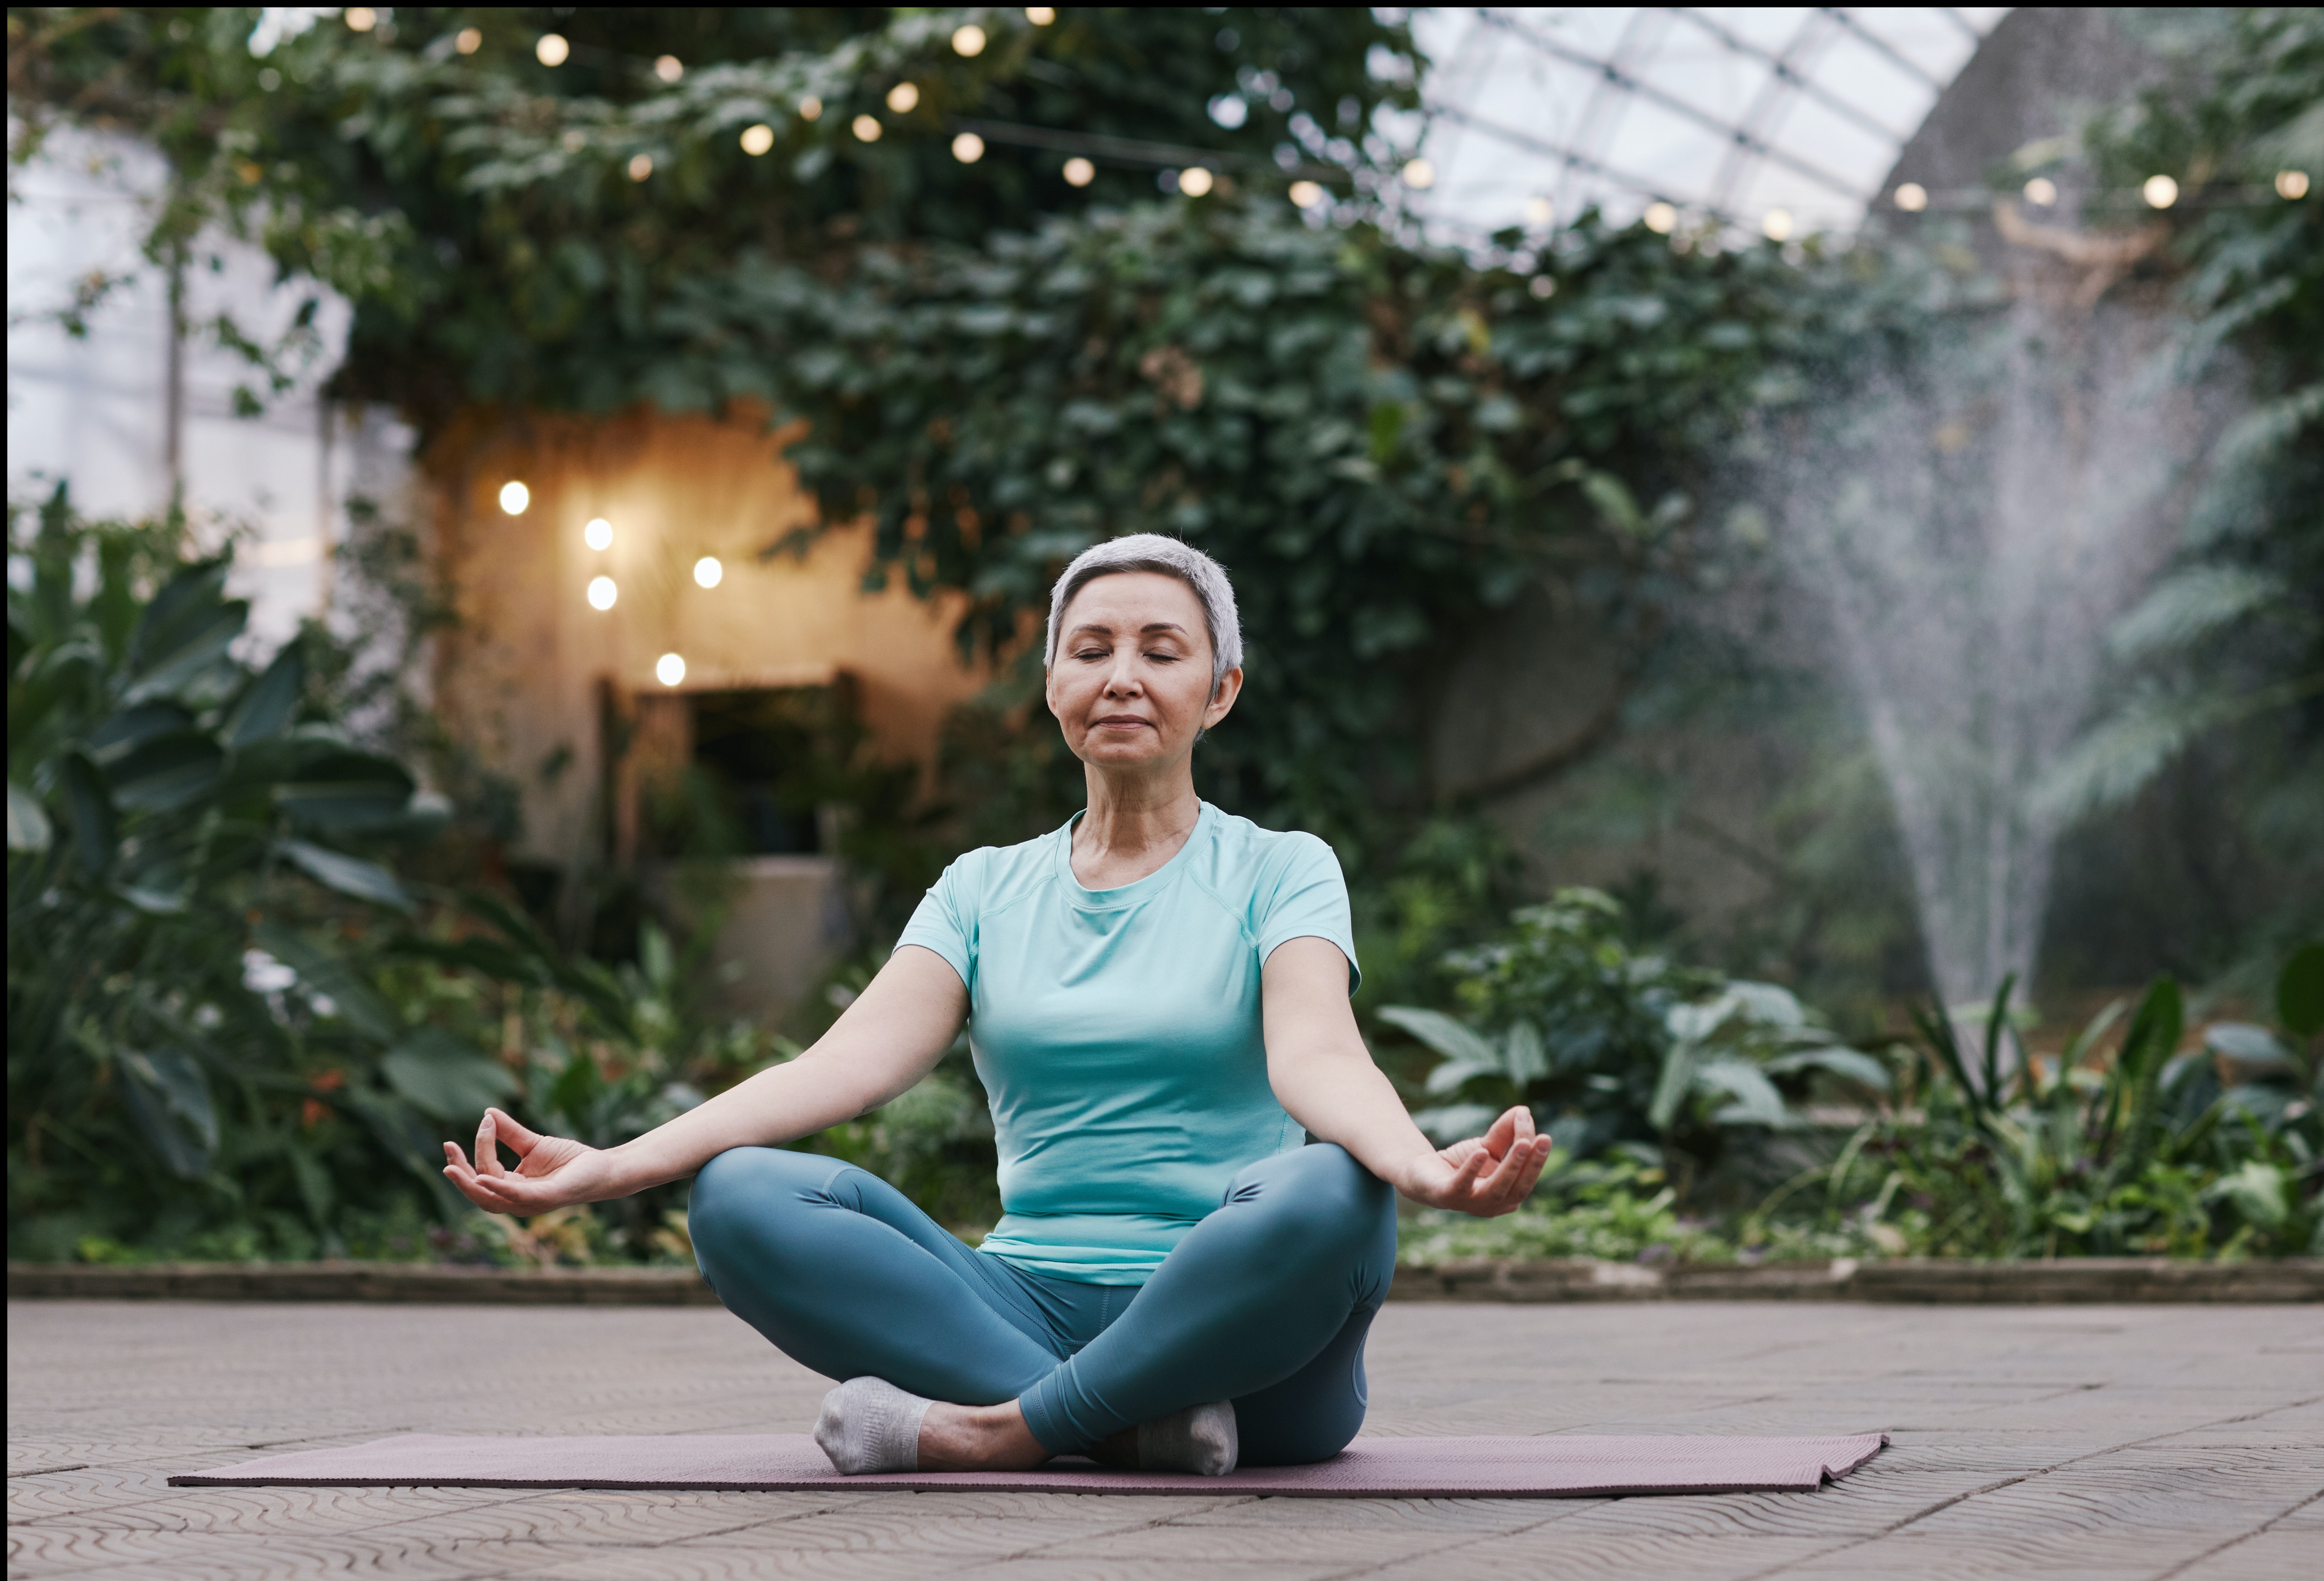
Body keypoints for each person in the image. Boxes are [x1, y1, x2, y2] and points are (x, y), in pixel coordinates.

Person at [443, 533, 1550, 1476]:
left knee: (1336, 1189)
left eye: (1162, 652)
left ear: (1221, 692)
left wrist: (1419, 1168)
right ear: (1053, 683)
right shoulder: (982, 888)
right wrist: (615, 1166)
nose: (1123, 677)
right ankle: (1129, 1427)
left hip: (1246, 1344)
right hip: (1017, 1304)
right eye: (1092, 650)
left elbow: (1318, 1057)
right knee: (739, 1196)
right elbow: (840, 1068)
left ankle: (996, 1433)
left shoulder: (1282, 868)